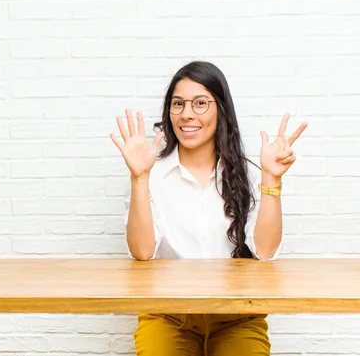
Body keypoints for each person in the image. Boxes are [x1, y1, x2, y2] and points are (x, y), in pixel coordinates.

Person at [109, 61, 308, 356]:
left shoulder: (250, 172)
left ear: (221, 109)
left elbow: (265, 252)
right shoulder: (150, 173)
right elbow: (142, 252)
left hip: (237, 318)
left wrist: (271, 179)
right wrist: (139, 177)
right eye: (178, 104)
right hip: (167, 316)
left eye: (200, 103)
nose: (187, 113)